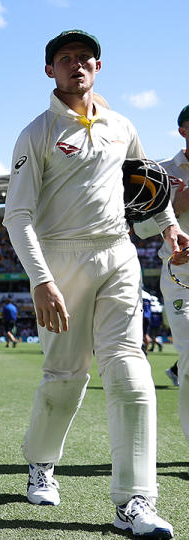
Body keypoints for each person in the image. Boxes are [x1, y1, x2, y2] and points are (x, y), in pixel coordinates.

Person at [3, 29, 184, 537]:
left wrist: (170, 230)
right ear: (50, 71)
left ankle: (135, 502)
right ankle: (41, 463)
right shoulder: (36, 132)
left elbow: (150, 184)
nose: (75, 65)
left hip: (119, 253)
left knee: (131, 370)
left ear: (98, 67)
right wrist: (41, 280)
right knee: (65, 376)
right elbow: (17, 216)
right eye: (65, 59)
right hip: (61, 258)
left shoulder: (121, 125)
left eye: (84, 58)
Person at [134, 103, 189, 448]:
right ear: (183, 130)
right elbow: (139, 228)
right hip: (182, 273)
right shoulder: (163, 171)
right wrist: (177, 203)